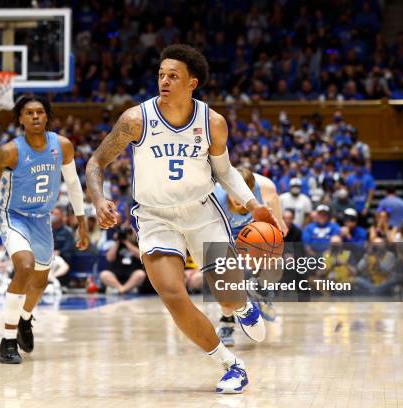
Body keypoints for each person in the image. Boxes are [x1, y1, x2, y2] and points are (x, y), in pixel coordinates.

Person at [86, 44, 279, 394]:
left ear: (192, 83)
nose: (164, 80)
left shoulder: (213, 122)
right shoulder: (135, 120)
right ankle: (230, 365)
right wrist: (98, 199)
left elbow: (225, 171)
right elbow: (96, 163)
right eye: (161, 74)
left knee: (227, 296)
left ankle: (241, 305)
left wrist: (254, 205)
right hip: (155, 216)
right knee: (173, 294)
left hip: (202, 212)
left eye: (173, 76)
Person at [0, 95, 89, 364]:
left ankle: (25, 318)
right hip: (12, 215)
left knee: (39, 282)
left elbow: (73, 186)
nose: (35, 116)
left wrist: (82, 223)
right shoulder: (9, 151)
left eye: (40, 112)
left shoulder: (62, 146)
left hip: (41, 218)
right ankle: (8, 340)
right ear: (21, 119)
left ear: (47, 116)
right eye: (29, 113)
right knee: (24, 267)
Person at [213, 167, 286, 346]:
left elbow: (274, 199)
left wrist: (279, 220)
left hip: (251, 232)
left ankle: (260, 292)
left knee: (276, 260)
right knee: (228, 284)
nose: (239, 202)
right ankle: (226, 322)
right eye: (234, 197)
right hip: (222, 234)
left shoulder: (265, 187)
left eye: (243, 199)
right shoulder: (213, 195)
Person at [99, 226, 146, 294]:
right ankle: (122, 289)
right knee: (104, 274)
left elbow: (140, 256)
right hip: (117, 274)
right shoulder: (116, 245)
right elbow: (110, 258)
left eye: (130, 232)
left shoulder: (138, 244)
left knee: (140, 274)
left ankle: (122, 290)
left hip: (132, 274)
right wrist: (117, 241)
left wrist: (127, 242)